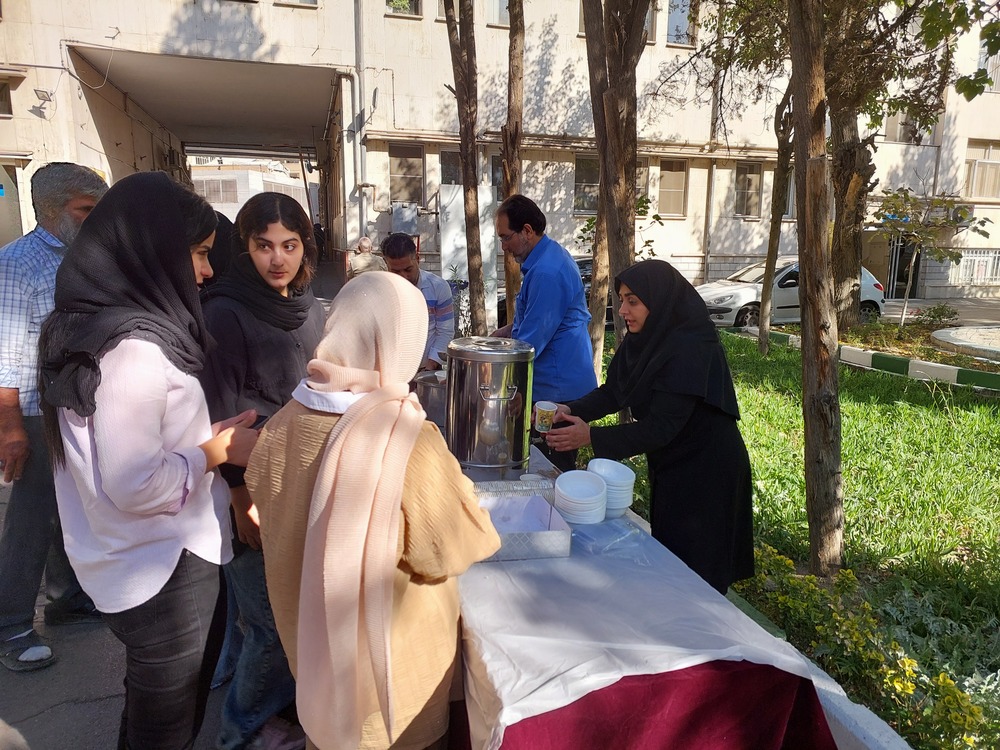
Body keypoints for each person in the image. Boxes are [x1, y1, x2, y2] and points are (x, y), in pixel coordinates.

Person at [37, 171, 259, 749]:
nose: (206, 272)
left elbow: (126, 447)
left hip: (134, 557)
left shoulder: (98, 325)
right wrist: (220, 451)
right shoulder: (132, 350)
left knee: (150, 716)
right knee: (167, 729)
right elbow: (135, 484)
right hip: (163, 569)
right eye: (199, 254)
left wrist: (205, 436)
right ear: (153, 251)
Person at [245, 272, 500, 750]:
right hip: (398, 684)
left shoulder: (282, 423)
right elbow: (451, 549)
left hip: (312, 659)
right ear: (402, 342)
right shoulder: (404, 438)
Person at [544, 259, 754, 594]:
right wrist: (570, 408)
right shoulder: (643, 339)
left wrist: (590, 436)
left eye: (633, 301)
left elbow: (661, 427)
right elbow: (615, 392)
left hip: (708, 470)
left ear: (659, 301)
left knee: (700, 573)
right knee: (671, 560)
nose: (623, 310)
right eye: (622, 299)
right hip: (672, 462)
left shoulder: (691, 347)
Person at [200, 192, 325, 750]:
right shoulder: (225, 312)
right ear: (243, 247)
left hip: (300, 480)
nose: (278, 259)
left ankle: (264, 702)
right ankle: (239, 731)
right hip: (250, 487)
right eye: (264, 245)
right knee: (272, 623)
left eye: (290, 245)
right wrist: (238, 497)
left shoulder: (309, 308)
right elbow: (218, 413)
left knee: (269, 612)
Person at [0, 162, 107, 673]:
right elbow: (4, 355)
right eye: (85, 209)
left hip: (70, 405)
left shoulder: (82, 256)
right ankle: (11, 626)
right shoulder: (16, 264)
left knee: (69, 506)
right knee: (31, 518)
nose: (95, 218)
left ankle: (66, 600)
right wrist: (10, 429)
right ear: (51, 209)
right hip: (31, 411)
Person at [492, 194, 596, 471]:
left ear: (527, 230)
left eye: (506, 237)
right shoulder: (547, 259)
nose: (504, 247)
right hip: (555, 386)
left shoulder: (547, 272)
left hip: (557, 392)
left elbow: (530, 343)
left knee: (550, 471)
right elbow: (533, 321)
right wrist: (503, 332)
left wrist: (503, 381)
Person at [382, 232, 454, 372]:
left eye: (408, 269)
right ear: (386, 264)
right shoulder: (380, 291)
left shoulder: (438, 287)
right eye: (396, 271)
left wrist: (429, 368)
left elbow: (445, 332)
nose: (404, 276)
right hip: (390, 370)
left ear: (417, 259)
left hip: (427, 368)